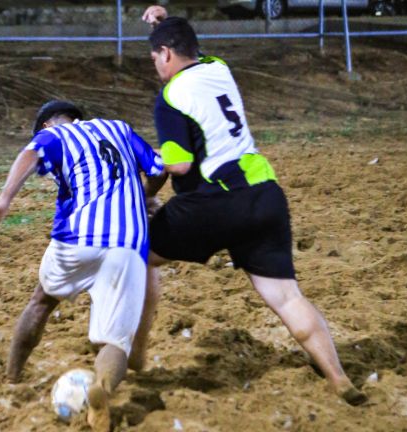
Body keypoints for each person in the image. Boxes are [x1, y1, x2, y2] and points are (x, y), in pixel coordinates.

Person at [133, 10, 368, 406]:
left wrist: (146, 175)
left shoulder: (170, 97)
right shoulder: (218, 67)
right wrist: (165, 21)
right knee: (288, 297)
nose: (155, 65)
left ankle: (135, 353)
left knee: (141, 255)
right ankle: (340, 378)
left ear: (167, 54)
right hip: (265, 194)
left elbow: (180, 165)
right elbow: (188, 45)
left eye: (156, 56)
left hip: (215, 200)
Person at [0, 100, 164, 431]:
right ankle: (101, 390)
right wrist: (146, 195)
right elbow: (160, 168)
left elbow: (30, 154)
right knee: (115, 342)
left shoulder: (56, 133)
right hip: (129, 243)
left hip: (78, 237)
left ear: (50, 124)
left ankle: (11, 379)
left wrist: (4, 199)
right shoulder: (119, 128)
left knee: (41, 302)